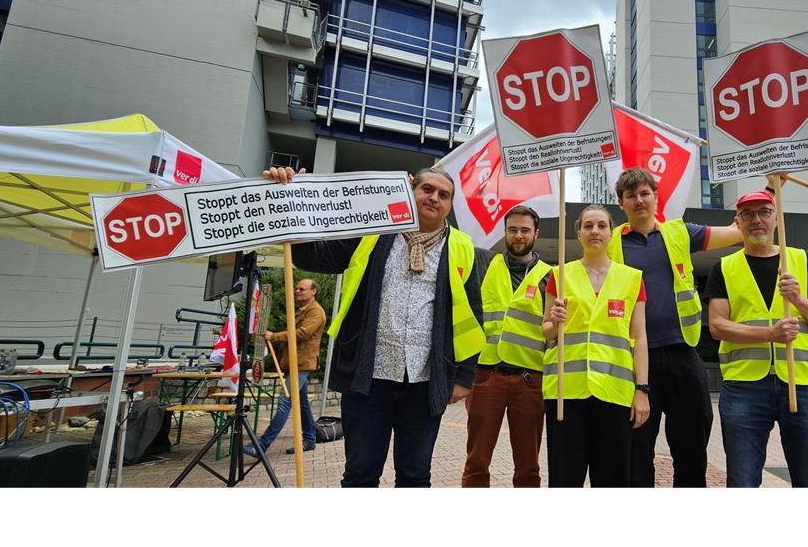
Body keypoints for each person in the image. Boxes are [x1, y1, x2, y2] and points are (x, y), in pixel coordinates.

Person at [263, 165, 484, 487]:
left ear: (450, 204)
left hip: (425, 381)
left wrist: (464, 377)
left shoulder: (462, 246)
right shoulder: (373, 230)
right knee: (360, 474)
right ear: (411, 191)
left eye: (444, 194)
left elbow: (473, 315)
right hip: (368, 379)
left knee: (415, 475)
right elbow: (314, 257)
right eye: (427, 189)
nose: (434, 198)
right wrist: (290, 197)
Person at [607, 166, 743, 488]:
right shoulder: (609, 242)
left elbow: (736, 232)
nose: (639, 200)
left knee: (693, 442)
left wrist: (770, 193)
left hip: (683, 352)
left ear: (656, 198)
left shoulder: (679, 232)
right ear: (621, 204)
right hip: (635, 361)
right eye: (631, 196)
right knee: (637, 446)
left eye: (644, 193)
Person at [705, 188, 808, 488]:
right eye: (748, 214)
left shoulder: (802, 261)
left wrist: (800, 299)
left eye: (764, 212)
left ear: (776, 218)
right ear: (736, 222)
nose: (757, 220)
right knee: (742, 482)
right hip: (744, 388)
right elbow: (717, 326)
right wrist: (769, 334)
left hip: (802, 385)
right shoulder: (724, 267)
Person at [542, 204, 650, 487]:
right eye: (588, 225)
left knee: (613, 480)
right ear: (578, 233)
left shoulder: (632, 278)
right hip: (566, 393)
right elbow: (547, 332)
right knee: (565, 480)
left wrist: (642, 390)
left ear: (611, 233)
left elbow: (639, 339)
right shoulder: (560, 274)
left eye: (601, 225)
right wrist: (554, 320)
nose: (595, 231)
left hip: (614, 394)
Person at [462, 205, 553, 487]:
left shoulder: (551, 276)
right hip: (486, 377)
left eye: (525, 230)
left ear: (536, 233)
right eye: (512, 230)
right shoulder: (485, 265)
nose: (518, 235)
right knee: (476, 460)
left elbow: (554, 333)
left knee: (528, 465)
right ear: (505, 233)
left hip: (530, 379)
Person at [243, 278, 326, 457]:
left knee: (284, 402)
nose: (297, 291)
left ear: (313, 292)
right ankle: (310, 440)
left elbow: (302, 334)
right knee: (302, 403)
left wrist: (274, 336)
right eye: (296, 289)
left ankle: (261, 446)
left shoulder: (316, 312)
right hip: (294, 363)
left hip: (301, 365)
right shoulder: (303, 310)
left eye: (302, 289)